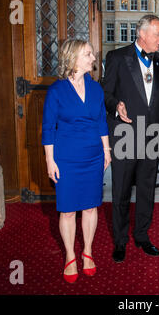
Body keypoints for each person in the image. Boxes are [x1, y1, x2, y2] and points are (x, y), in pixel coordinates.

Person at [102, 15, 159, 263]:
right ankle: (120, 241)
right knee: (121, 190)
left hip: (152, 135)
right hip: (125, 133)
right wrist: (116, 106)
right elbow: (106, 93)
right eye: (158, 34)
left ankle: (141, 235)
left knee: (147, 189)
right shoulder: (117, 57)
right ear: (142, 33)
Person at [42, 39, 111, 283]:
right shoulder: (57, 90)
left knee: (91, 206)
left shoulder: (96, 89)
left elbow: (102, 121)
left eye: (92, 54)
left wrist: (106, 149)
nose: (93, 58)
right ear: (73, 58)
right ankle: (70, 255)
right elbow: (49, 128)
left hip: (93, 156)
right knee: (68, 210)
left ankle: (88, 252)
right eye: (88, 54)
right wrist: (50, 160)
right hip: (67, 157)